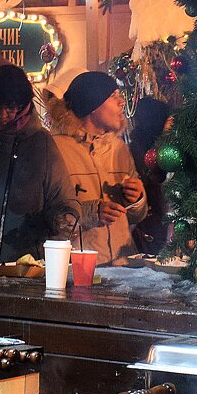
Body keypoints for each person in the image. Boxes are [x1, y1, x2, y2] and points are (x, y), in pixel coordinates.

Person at [0, 64, 78, 271]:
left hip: (26, 268)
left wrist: (65, 218)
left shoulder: (39, 142)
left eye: (12, 107)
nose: (4, 115)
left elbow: (61, 199)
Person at [44, 71, 147, 265]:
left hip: (122, 264)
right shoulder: (54, 149)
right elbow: (46, 214)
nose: (121, 102)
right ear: (92, 106)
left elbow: (136, 216)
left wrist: (137, 199)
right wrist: (91, 212)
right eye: (113, 97)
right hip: (80, 268)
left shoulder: (119, 148)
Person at [127, 96, 171, 256]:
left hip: (150, 219)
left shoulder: (136, 146)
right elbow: (154, 181)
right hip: (150, 221)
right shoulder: (146, 151)